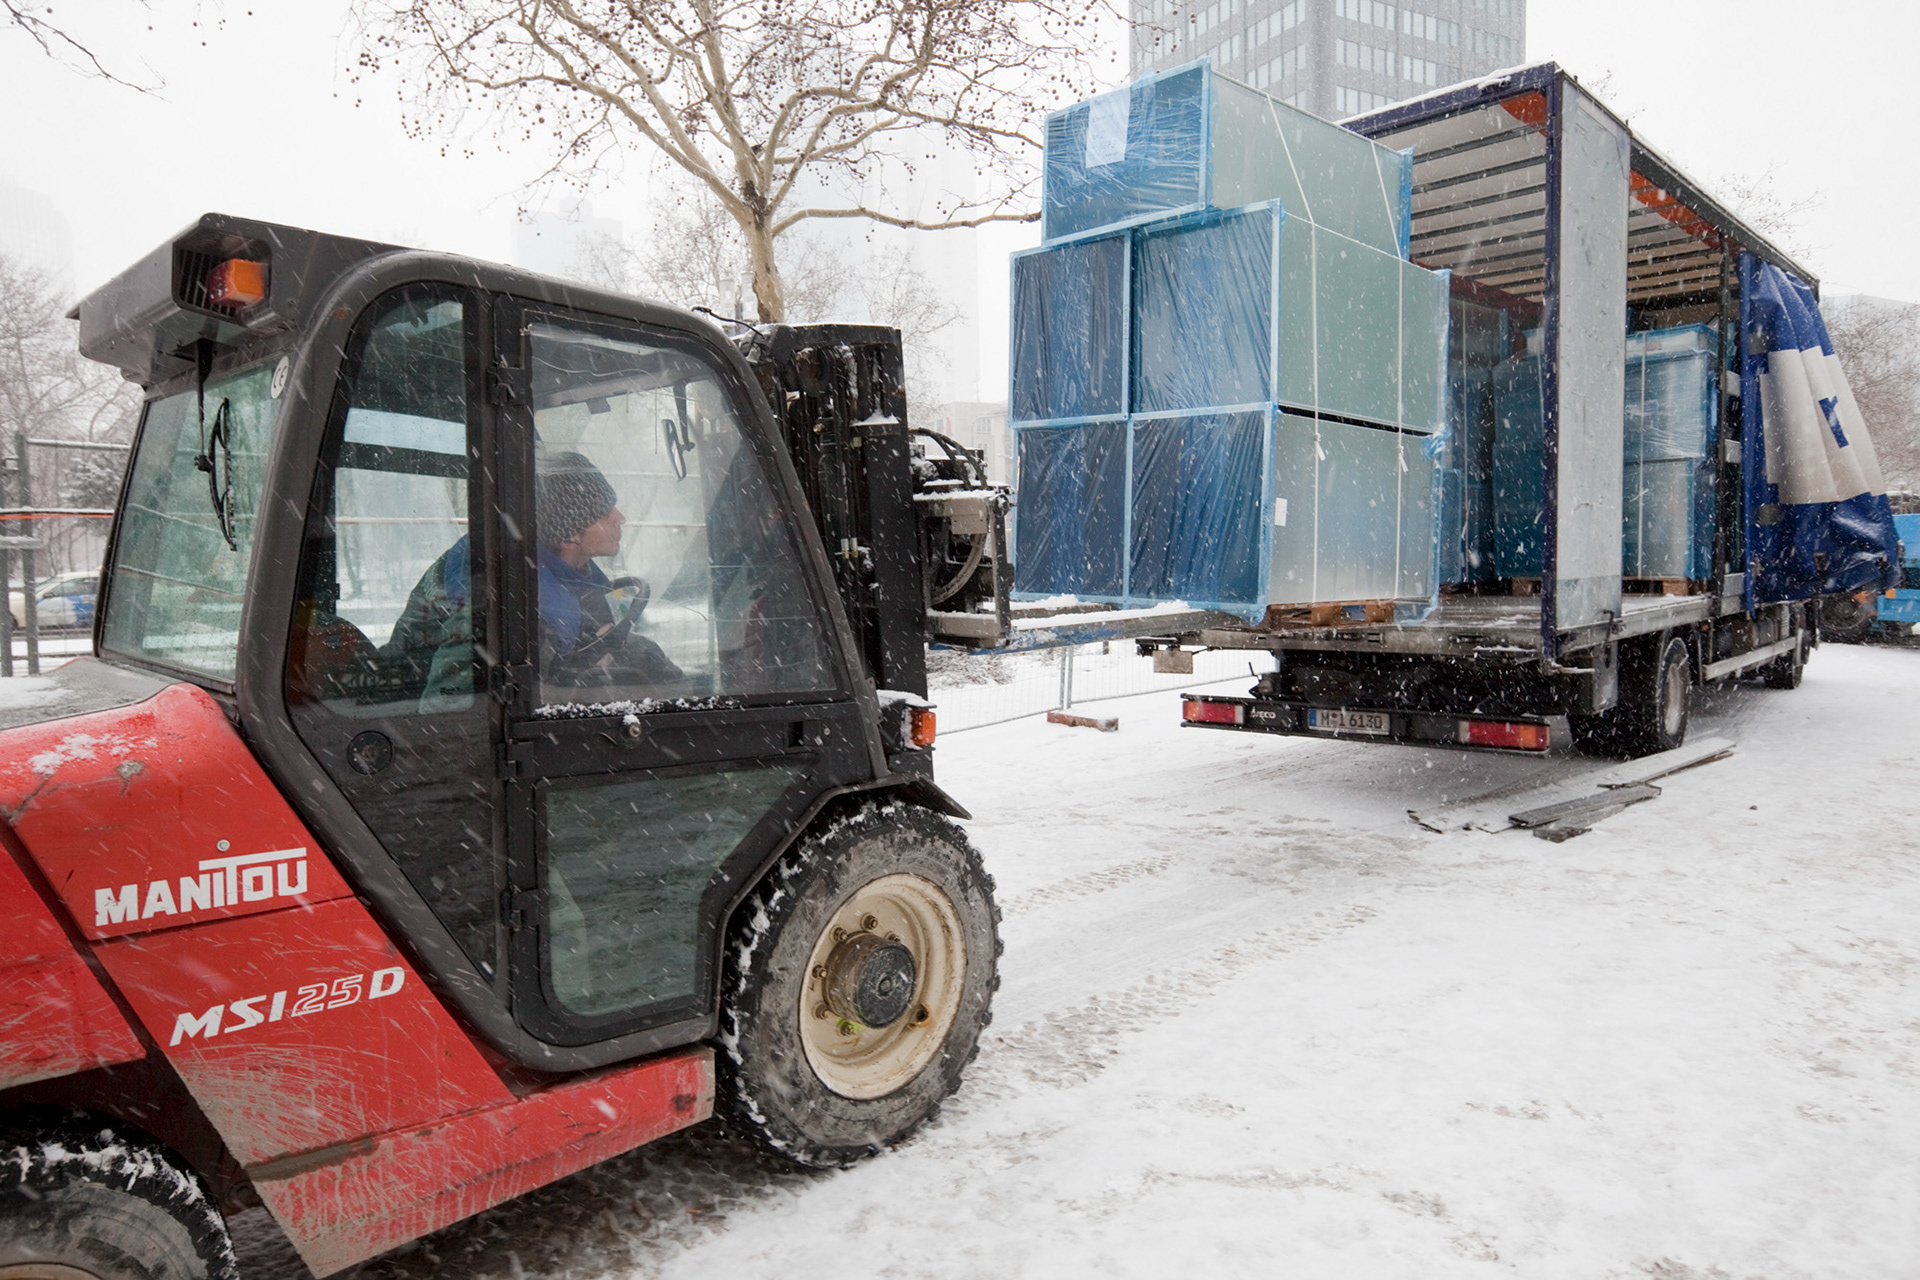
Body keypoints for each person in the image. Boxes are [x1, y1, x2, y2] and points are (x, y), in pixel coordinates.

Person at [533, 451, 682, 689]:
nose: (620, 518)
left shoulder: (584, 575)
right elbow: (550, 692)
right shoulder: (542, 604)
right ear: (568, 536)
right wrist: (588, 657)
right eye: (603, 514)